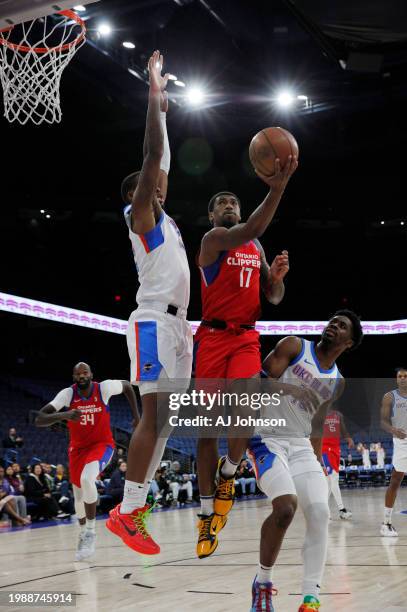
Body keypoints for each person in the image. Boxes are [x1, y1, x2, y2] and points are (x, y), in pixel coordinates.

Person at [106, 50, 192, 556]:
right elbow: (153, 155)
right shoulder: (140, 215)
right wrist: (153, 94)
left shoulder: (168, 220)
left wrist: (164, 114)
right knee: (154, 416)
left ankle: (134, 509)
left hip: (181, 329)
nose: (162, 183)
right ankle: (128, 507)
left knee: (166, 420)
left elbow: (163, 156)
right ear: (140, 190)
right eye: (154, 182)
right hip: (153, 321)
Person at [195, 155, 297, 558]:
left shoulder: (254, 245)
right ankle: (207, 516)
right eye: (221, 203)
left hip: (244, 339)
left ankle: (229, 471)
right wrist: (277, 187)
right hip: (211, 337)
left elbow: (272, 297)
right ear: (211, 216)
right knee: (206, 433)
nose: (229, 205)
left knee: (247, 404)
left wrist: (276, 280)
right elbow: (252, 226)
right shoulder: (212, 243)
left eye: (233, 201)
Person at [247, 310, 363, 612]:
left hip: (301, 446)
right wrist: (288, 387)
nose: (333, 326)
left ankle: (311, 597)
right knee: (285, 508)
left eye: (341, 327)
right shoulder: (294, 346)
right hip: (267, 438)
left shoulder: (337, 381)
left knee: (321, 511)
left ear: (348, 343)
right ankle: (263, 584)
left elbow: (317, 423)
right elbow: (254, 384)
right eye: (333, 321)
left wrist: (316, 460)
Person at [35, 362, 139, 560]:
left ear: (91, 374)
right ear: (74, 377)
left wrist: (136, 416)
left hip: (102, 445)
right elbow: (39, 418)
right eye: (77, 374)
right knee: (79, 497)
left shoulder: (104, 388)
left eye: (85, 373)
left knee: (87, 479)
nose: (81, 376)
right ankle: (83, 533)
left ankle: (91, 531)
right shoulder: (68, 394)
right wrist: (64, 415)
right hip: (77, 449)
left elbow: (126, 385)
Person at [380, 367, 407, 537]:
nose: (403, 378)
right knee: (396, 480)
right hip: (402, 441)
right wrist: (393, 430)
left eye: (406, 376)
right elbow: (383, 422)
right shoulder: (390, 396)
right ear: (396, 379)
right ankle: (386, 523)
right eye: (400, 376)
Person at [322, 410, 354, 520]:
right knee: (334, 479)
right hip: (325, 450)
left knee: (329, 482)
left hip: (336, 449)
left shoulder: (338, 414)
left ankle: (324, 511)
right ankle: (342, 510)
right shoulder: (318, 413)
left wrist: (348, 438)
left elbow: (343, 429)